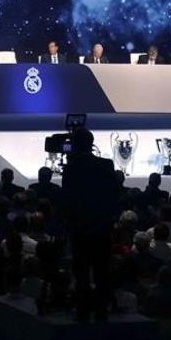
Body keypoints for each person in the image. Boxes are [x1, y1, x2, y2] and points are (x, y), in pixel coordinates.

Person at [60, 128, 120, 322]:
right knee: (102, 271)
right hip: (102, 227)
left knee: (82, 273)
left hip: (80, 229)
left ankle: (83, 311)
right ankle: (102, 311)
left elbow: (68, 200)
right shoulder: (106, 165)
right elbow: (112, 195)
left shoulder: (71, 168)